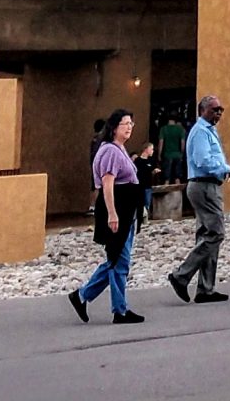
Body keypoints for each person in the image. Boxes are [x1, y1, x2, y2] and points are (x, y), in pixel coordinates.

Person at [70, 109, 145, 325]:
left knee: (116, 260)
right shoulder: (111, 151)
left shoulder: (119, 149)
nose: (130, 127)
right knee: (119, 261)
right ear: (114, 127)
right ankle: (119, 311)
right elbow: (108, 183)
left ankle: (82, 295)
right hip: (117, 210)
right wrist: (113, 214)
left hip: (127, 210)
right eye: (125, 124)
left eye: (131, 123)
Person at [166, 92, 230, 304]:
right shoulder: (200, 132)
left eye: (220, 110)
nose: (218, 113)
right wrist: (228, 168)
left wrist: (228, 170)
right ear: (202, 110)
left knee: (206, 234)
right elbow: (203, 161)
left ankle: (206, 289)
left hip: (209, 184)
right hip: (204, 185)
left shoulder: (209, 131)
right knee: (216, 233)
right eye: (214, 109)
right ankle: (181, 275)